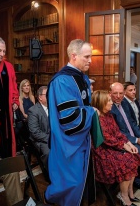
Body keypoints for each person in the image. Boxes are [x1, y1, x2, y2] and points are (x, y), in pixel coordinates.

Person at [45, 39, 96, 205]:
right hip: (67, 141)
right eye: (86, 56)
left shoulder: (82, 78)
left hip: (81, 139)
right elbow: (70, 119)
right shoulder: (63, 81)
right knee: (71, 183)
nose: (90, 60)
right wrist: (92, 111)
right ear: (74, 56)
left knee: (79, 181)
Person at [91, 90, 140, 206]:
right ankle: (123, 196)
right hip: (102, 151)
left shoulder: (109, 115)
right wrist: (124, 146)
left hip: (113, 146)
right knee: (127, 162)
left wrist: (129, 144)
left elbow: (117, 133)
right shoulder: (97, 119)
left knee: (134, 156)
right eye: (108, 100)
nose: (111, 103)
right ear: (101, 103)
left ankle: (129, 191)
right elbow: (107, 139)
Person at [27, 86, 50, 167]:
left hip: (53, 137)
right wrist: (50, 139)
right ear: (40, 97)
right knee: (49, 153)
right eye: (47, 94)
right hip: (41, 140)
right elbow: (35, 132)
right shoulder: (33, 111)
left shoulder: (53, 108)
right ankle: (50, 175)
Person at [14, 79, 35, 148]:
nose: (26, 87)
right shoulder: (20, 98)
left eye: (28, 85)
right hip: (24, 121)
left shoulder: (32, 97)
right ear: (22, 88)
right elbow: (24, 114)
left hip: (32, 119)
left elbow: (35, 111)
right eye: (24, 86)